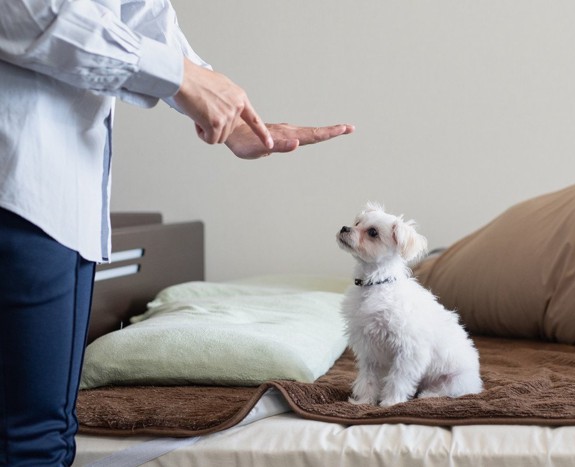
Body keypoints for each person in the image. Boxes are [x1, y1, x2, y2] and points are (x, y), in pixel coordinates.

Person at [0, 1, 354, 465]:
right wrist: (182, 78)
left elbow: (137, 14)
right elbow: (28, 11)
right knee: (33, 441)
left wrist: (227, 115)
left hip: (50, 190)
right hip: (22, 188)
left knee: (43, 433)